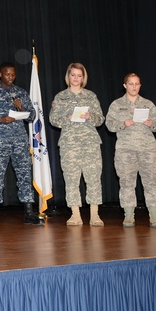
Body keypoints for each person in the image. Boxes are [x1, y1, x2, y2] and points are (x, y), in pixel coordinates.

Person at [0, 62, 41, 226]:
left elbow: (31, 116)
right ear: (0, 74)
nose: (10, 77)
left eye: (13, 74)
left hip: (20, 141)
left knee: (24, 175)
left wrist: (21, 109)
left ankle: (29, 211)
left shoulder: (20, 92)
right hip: (0, 141)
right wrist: (0, 119)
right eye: (7, 74)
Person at [49, 63, 105, 226]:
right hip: (69, 144)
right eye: (73, 75)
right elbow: (53, 120)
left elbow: (100, 119)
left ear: (83, 77)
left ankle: (94, 214)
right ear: (68, 76)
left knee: (93, 178)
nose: (76, 78)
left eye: (79, 75)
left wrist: (90, 116)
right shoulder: (60, 97)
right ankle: (75, 214)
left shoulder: (90, 96)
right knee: (71, 179)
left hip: (90, 143)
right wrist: (68, 118)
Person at [105, 73, 156, 228]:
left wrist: (152, 123)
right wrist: (123, 123)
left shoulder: (148, 104)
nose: (134, 87)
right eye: (131, 84)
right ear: (125, 85)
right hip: (125, 150)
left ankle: (154, 215)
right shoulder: (116, 104)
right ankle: (129, 215)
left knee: (151, 182)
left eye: (137, 84)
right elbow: (109, 124)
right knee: (126, 182)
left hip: (148, 149)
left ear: (140, 85)